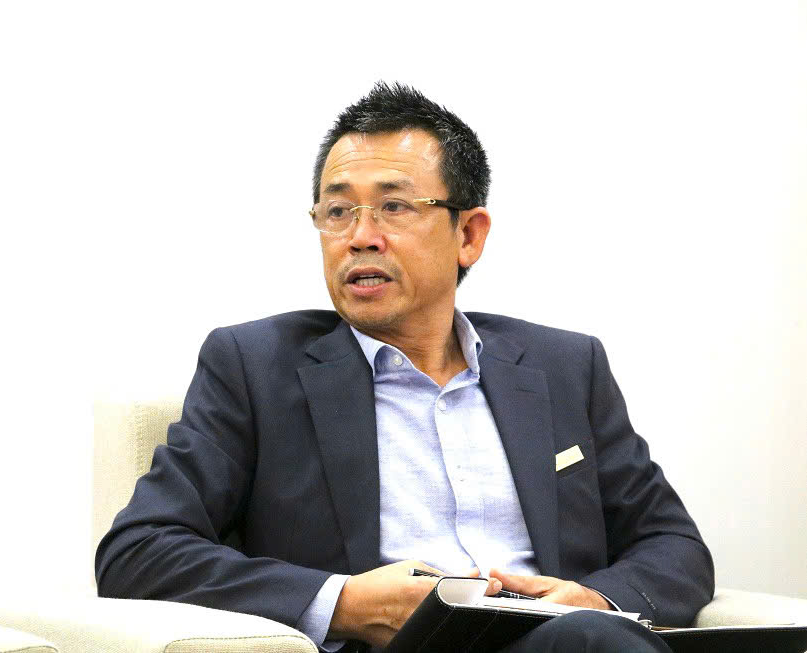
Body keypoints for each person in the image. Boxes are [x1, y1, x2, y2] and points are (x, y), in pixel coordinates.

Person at [95, 82, 714, 652]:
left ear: (469, 235)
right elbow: (138, 551)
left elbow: (674, 546)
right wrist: (343, 602)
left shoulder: (565, 368)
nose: (360, 236)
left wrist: (596, 602)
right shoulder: (254, 366)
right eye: (338, 212)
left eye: (393, 207)